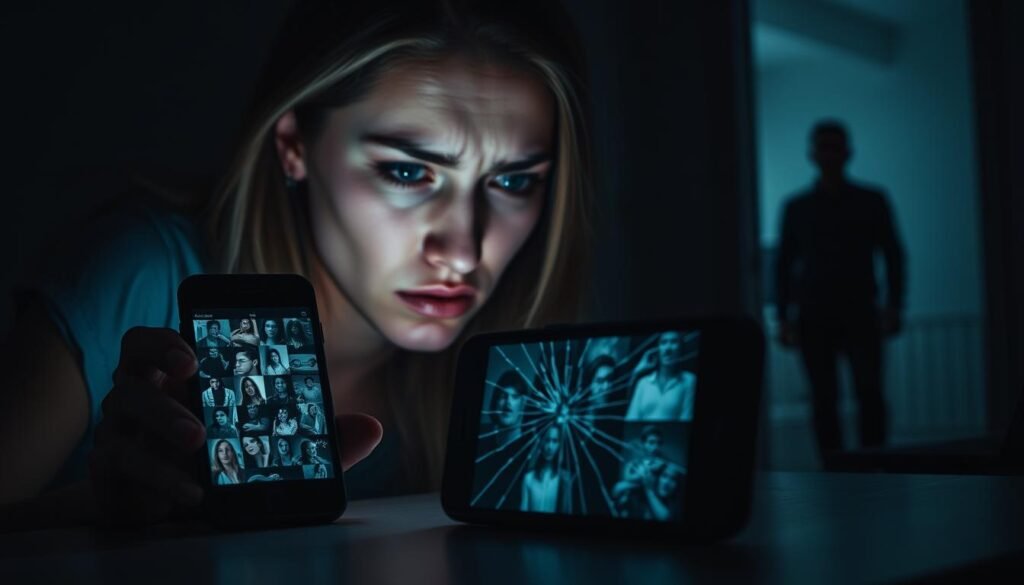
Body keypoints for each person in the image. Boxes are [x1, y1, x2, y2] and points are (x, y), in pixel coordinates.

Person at [4, 0, 593, 523]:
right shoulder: (141, 276)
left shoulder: (511, 384)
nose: (463, 251)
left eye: (514, 181)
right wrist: (110, 513)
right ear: (294, 147)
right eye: (408, 173)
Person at [775, 120, 906, 463]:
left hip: (858, 310)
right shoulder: (798, 207)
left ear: (847, 152)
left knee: (868, 393)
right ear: (813, 154)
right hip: (816, 313)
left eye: (834, 147)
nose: (829, 154)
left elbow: (893, 254)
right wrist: (782, 316)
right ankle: (837, 466)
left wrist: (894, 306)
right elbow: (784, 263)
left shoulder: (869, 200)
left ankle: (873, 462)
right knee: (824, 398)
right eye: (824, 147)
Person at [625, 332, 696, 421]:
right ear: (658, 349)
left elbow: (686, 421)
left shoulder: (689, 380)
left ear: (681, 348)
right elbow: (631, 419)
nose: (667, 348)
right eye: (663, 343)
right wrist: (637, 371)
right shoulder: (643, 382)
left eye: (673, 342)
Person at [520, 425, 572, 514]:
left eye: (555, 441)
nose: (550, 447)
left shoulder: (564, 479)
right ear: (541, 442)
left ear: (560, 444)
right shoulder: (528, 478)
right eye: (547, 440)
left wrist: (566, 489)